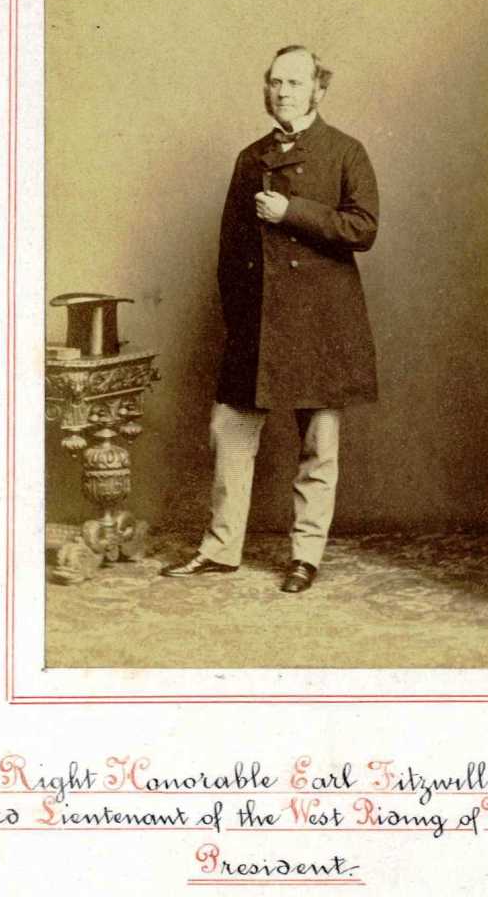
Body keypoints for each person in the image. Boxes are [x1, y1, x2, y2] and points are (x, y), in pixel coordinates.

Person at [161, 45, 379, 592]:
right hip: (257, 324)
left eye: (295, 83)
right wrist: (240, 322)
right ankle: (220, 549)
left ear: (318, 90)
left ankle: (305, 556)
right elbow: (230, 253)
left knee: (318, 444)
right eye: (275, 82)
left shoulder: (346, 151)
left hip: (320, 323)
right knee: (229, 433)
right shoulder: (250, 157)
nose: (282, 92)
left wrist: (293, 212)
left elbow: (364, 229)